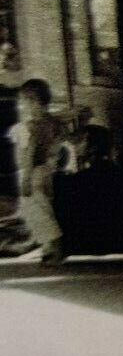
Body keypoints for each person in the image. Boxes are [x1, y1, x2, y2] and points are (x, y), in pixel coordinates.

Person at [6, 78, 65, 263]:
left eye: (24, 101)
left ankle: (55, 248)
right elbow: (58, 146)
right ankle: (48, 248)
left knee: (34, 210)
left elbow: (30, 152)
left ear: (34, 101)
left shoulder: (31, 126)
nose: (22, 106)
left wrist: (25, 180)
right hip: (47, 170)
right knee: (45, 207)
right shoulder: (53, 122)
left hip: (32, 172)